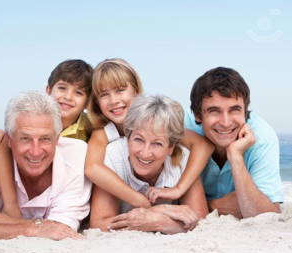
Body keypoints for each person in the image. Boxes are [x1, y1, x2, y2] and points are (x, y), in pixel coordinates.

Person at [0, 91, 92, 240]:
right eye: (25, 139)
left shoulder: (76, 157)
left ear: (57, 138)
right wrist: (32, 228)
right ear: (9, 139)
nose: (35, 151)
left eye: (45, 139)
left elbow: (59, 230)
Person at [85, 58, 213, 210]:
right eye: (104, 94)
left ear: (136, 91)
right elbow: (92, 168)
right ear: (97, 102)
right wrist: (138, 199)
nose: (113, 100)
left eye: (120, 90)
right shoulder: (103, 132)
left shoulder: (156, 124)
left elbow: (204, 145)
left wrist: (179, 189)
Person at [0, 59, 93, 218]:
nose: (68, 97)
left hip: (74, 197)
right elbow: (11, 141)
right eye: (62, 88)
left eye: (78, 92)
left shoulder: (89, 129)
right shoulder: (32, 119)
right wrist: (0, 135)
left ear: (87, 103)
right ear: (48, 91)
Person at [90, 95, 208, 233]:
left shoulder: (183, 159)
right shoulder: (113, 155)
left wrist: (161, 223)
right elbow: (99, 224)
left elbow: (201, 220)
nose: (145, 153)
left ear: (171, 148)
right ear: (128, 137)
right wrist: (159, 211)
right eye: (138, 140)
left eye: (157, 143)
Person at [185, 67, 283, 218]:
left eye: (235, 110)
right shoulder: (184, 127)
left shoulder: (262, 137)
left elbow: (265, 213)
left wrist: (235, 155)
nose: (225, 122)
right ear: (198, 115)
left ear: (245, 111)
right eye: (214, 111)